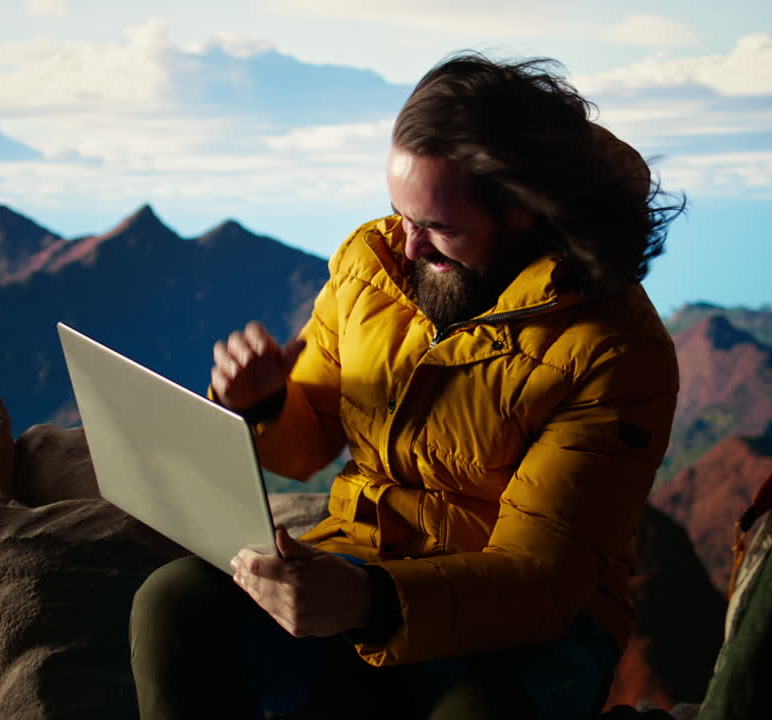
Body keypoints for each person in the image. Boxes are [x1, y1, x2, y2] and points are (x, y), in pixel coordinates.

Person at [129, 51, 683, 720]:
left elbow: (540, 581)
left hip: (534, 626)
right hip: (365, 561)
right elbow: (305, 450)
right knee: (174, 602)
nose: (409, 245)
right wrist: (264, 404)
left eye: (439, 228)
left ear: (522, 213)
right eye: (400, 213)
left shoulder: (614, 349)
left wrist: (371, 604)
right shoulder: (374, 264)